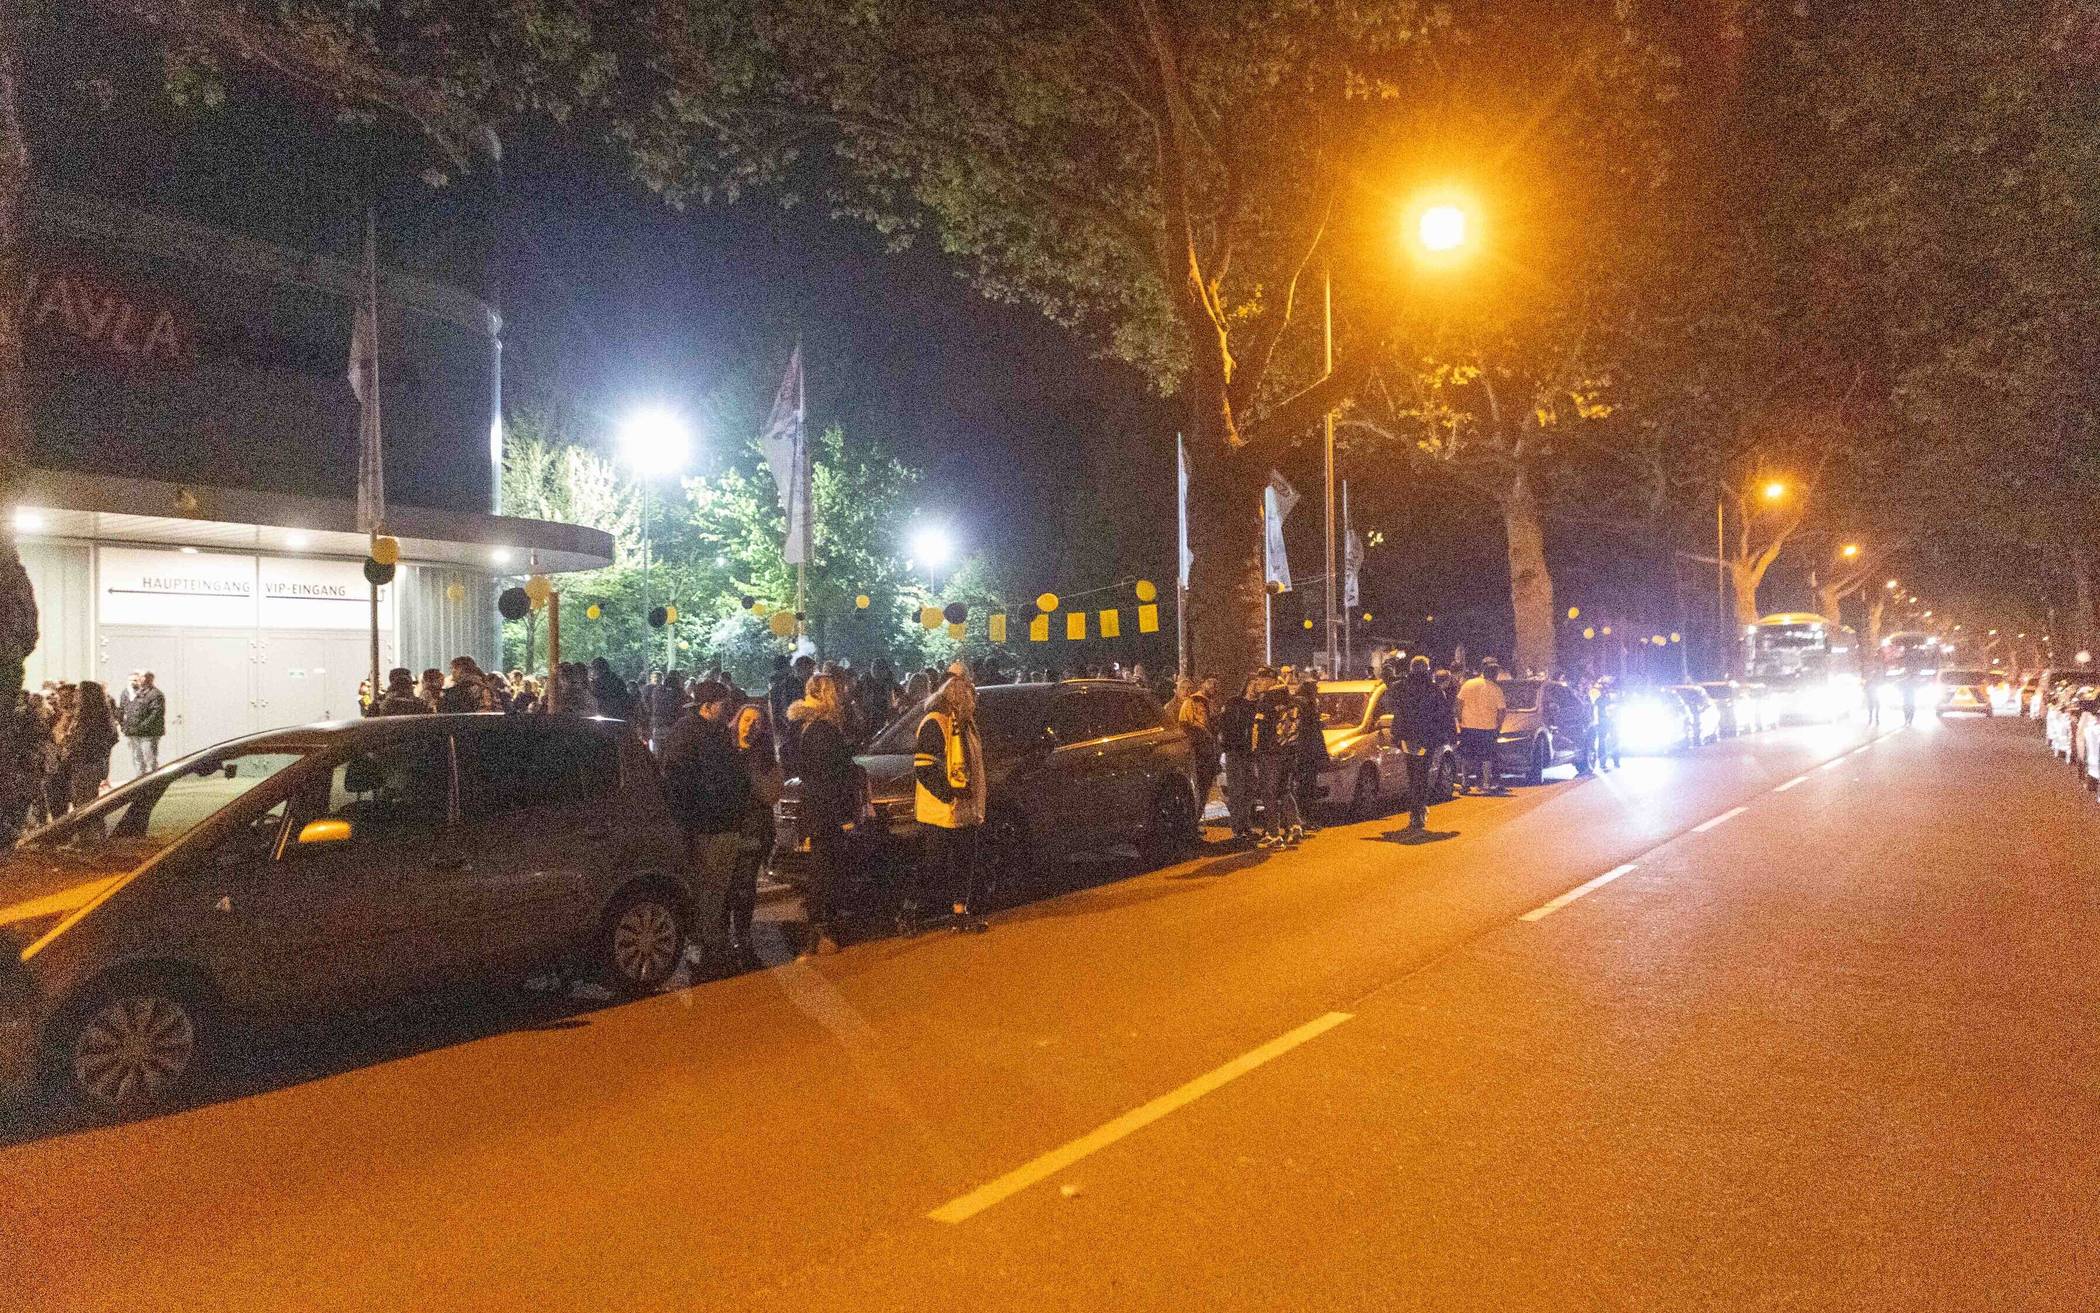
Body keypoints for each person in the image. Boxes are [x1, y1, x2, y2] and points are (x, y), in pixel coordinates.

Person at [658, 679, 751, 973]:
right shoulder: (695, 734)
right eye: (724, 704)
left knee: (713, 889)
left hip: (715, 822)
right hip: (709, 824)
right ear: (708, 706)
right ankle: (705, 948)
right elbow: (683, 782)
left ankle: (707, 946)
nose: (728, 709)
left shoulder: (705, 732)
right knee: (709, 889)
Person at [789, 673, 858, 956]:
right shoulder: (823, 730)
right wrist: (844, 814)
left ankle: (821, 926)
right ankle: (821, 930)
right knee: (825, 870)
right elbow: (831, 776)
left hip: (816, 808)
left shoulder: (807, 727)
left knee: (822, 869)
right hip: (825, 811)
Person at [914, 673, 988, 931]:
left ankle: (960, 912)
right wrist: (950, 793)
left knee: (964, 862)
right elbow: (924, 768)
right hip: (941, 811)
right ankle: (910, 910)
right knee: (933, 866)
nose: (975, 702)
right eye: (971, 696)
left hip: (965, 808)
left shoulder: (966, 725)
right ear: (959, 699)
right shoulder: (936, 723)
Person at [728, 699, 782, 968]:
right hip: (726, 828)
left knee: (745, 886)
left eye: (756, 722)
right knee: (726, 885)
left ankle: (743, 937)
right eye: (746, 719)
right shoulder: (725, 751)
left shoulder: (765, 758)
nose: (750, 725)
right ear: (737, 721)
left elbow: (771, 794)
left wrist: (752, 770)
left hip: (753, 829)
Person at [1390, 656, 1449, 831]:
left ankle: (1416, 811)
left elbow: (1392, 706)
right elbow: (1443, 713)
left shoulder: (1401, 687)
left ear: (1411, 669)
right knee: (1422, 774)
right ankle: (1418, 810)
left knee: (1413, 773)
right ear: (1427, 669)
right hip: (1426, 737)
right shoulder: (1434, 689)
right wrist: (1445, 735)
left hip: (1407, 736)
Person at [1252, 671, 1302, 847]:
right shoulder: (1290, 698)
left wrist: (1255, 751)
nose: (1258, 682)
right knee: (1284, 789)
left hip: (1270, 754)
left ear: (1271, 680)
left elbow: (1259, 730)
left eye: (1261, 679)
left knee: (1269, 793)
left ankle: (1273, 834)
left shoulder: (1267, 700)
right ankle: (1295, 826)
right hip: (1288, 751)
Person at [1216, 671, 1265, 845]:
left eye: (1257, 684)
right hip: (1234, 751)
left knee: (1250, 788)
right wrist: (1226, 742)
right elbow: (1224, 723)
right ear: (1247, 685)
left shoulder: (1260, 705)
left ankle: (1245, 825)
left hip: (1251, 753)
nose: (1254, 687)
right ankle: (1238, 828)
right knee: (1237, 790)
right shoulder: (1234, 703)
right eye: (1252, 683)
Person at [60, 680, 121, 810]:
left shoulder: (93, 718)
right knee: (82, 803)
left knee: (85, 805)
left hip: (87, 766)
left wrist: (69, 749)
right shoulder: (82, 715)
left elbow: (86, 743)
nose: (75, 695)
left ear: (87, 695)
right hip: (82, 765)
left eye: (78, 692)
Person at [1455, 660, 1509, 794]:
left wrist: (1460, 720)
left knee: (1466, 755)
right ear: (1494, 674)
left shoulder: (1468, 684)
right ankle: (1485, 784)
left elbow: (1458, 704)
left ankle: (1465, 783)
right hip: (1487, 728)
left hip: (1468, 726)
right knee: (1486, 756)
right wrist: (1498, 726)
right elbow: (1502, 711)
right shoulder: (1496, 689)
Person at [1178, 681, 1221, 825]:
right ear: (1202, 683)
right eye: (1210, 683)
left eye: (1216, 684)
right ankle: (1191, 824)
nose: (1213, 687)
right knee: (1197, 790)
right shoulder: (1191, 702)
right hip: (1198, 752)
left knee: (1204, 790)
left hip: (1209, 753)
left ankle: (1194, 823)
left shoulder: (1212, 704)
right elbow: (1185, 727)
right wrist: (1199, 739)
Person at [1291, 676, 1330, 831]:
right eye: (1315, 688)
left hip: (1306, 752)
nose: (1317, 691)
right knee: (1306, 787)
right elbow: (1309, 730)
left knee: (1306, 786)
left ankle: (1304, 818)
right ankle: (1304, 818)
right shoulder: (1304, 704)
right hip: (1306, 753)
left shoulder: (1304, 703)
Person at [117, 670, 166, 778]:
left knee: (150, 759)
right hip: (133, 733)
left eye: (141, 677)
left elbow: (155, 714)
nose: (138, 680)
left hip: (148, 734)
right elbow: (126, 710)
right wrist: (125, 726)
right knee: (137, 759)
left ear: (148, 679)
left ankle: (153, 781)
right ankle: (140, 781)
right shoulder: (134, 693)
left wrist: (140, 727)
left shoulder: (155, 694)